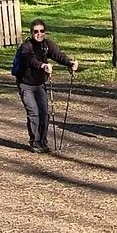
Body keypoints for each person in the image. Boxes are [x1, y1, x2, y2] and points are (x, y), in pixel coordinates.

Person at [11, 19, 79, 153]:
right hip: (26, 85)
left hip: (40, 84)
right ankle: (35, 142)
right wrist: (42, 65)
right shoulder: (26, 47)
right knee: (33, 113)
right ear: (31, 33)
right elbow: (30, 60)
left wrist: (70, 63)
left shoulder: (47, 45)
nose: (39, 34)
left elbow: (58, 55)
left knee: (44, 113)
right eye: (36, 31)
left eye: (42, 31)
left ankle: (43, 140)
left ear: (45, 32)